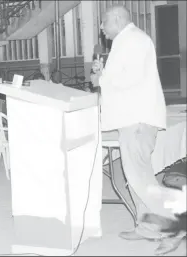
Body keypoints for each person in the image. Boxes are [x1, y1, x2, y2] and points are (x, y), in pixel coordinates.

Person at [90, 5, 183, 255]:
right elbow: (119, 78)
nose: (101, 28)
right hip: (131, 120)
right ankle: (147, 228)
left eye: (103, 22)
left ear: (117, 19)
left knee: (140, 179)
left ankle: (176, 224)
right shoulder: (125, 41)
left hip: (137, 121)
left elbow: (129, 80)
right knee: (135, 179)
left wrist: (104, 79)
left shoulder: (133, 40)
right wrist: (101, 75)